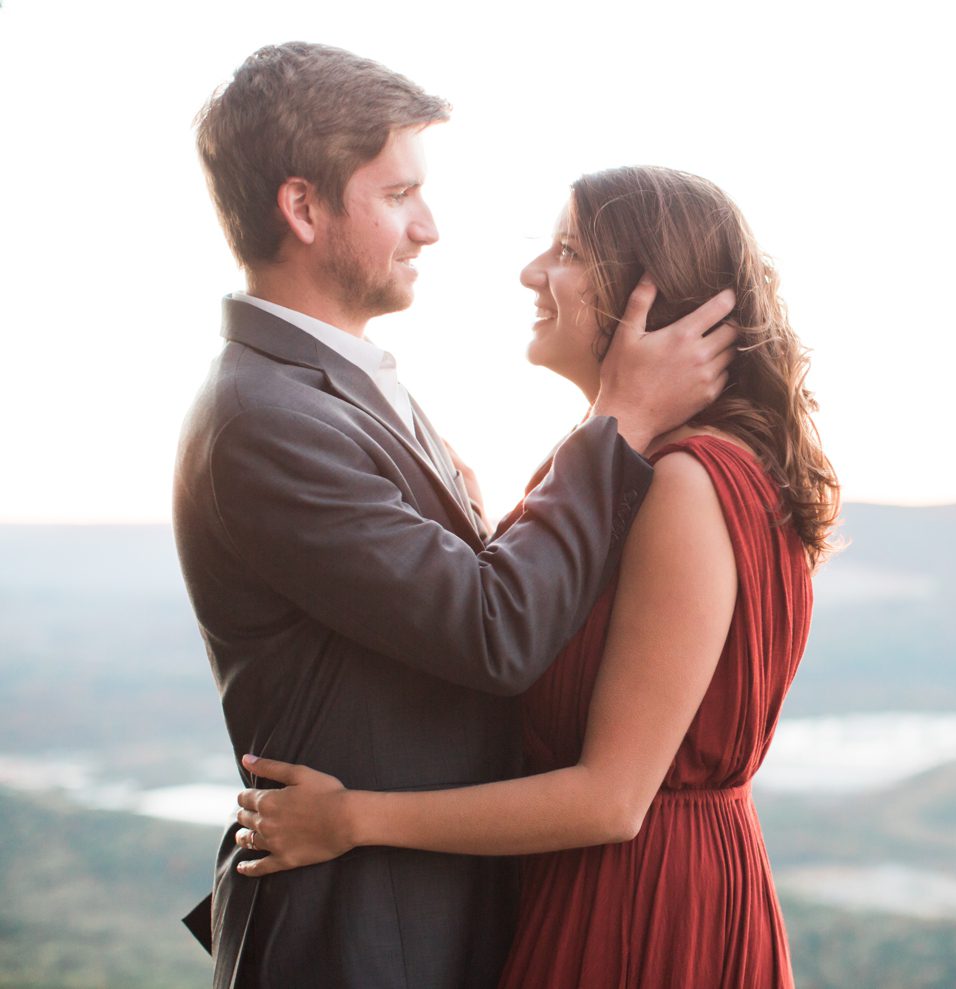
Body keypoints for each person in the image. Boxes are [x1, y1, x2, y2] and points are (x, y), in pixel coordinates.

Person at [174, 45, 737, 989]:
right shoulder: (263, 420)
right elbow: (494, 629)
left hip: (438, 912)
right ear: (303, 208)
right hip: (363, 936)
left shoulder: (339, 388)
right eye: (397, 195)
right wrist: (621, 421)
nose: (429, 227)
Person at [227, 166, 840, 987]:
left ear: (646, 300)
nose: (531, 273)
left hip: (640, 912)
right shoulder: (632, 472)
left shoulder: (689, 485)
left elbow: (611, 800)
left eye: (569, 251)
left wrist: (352, 819)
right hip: (603, 889)